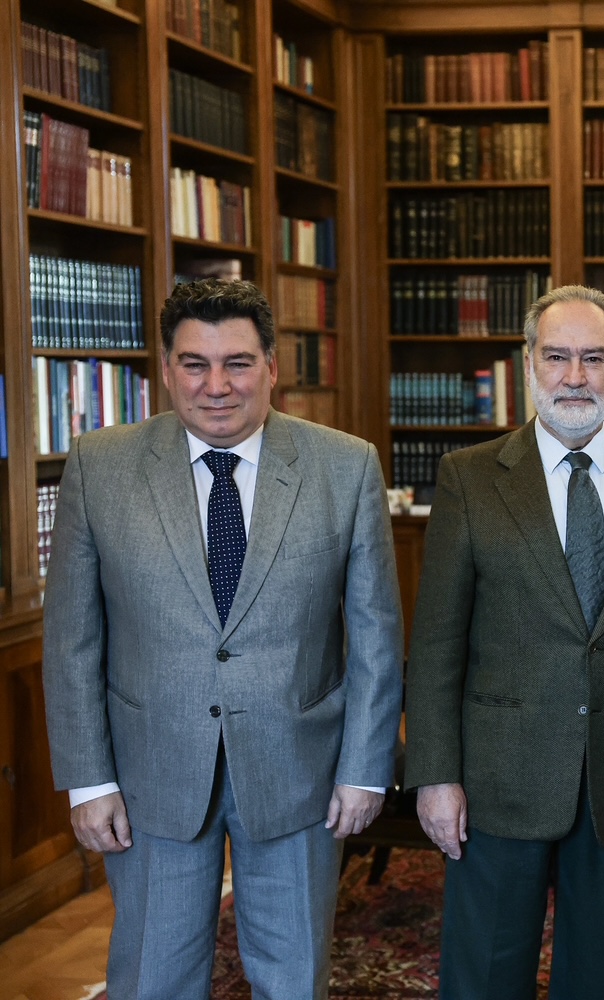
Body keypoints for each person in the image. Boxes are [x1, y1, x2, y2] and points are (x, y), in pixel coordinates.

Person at [42, 278, 404, 1000]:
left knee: (293, 980)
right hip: (150, 772)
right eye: (194, 364)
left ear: (272, 367)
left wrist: (365, 770)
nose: (216, 386)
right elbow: (72, 638)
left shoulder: (346, 466)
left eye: (237, 363)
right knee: (154, 978)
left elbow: (375, 633)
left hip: (298, 771)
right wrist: (90, 779)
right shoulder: (98, 465)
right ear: (166, 369)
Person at [404, 284, 604, 1000]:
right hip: (496, 780)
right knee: (485, 976)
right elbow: (438, 643)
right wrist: (435, 775)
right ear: (528, 364)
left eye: (594, 358)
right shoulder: (469, 479)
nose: (576, 376)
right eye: (558, 356)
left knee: (598, 975)